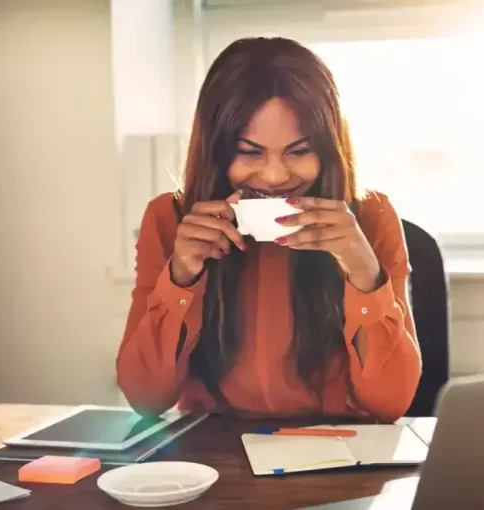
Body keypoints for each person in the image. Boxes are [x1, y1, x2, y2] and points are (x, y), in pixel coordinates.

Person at [117, 37, 421, 422]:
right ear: (217, 151)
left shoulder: (373, 217)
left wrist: (364, 274)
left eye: (299, 151)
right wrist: (181, 277)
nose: (276, 176)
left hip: (338, 451)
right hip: (215, 454)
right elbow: (145, 399)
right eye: (249, 152)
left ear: (328, 150)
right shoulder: (169, 219)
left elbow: (391, 402)